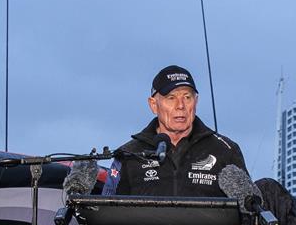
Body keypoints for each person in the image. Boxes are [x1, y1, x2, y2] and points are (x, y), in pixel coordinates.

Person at [102, 65, 249, 196]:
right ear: (153, 105)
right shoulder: (129, 154)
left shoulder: (225, 150)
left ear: (196, 101)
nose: (180, 105)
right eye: (171, 98)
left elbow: (249, 212)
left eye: (187, 97)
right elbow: (105, 212)